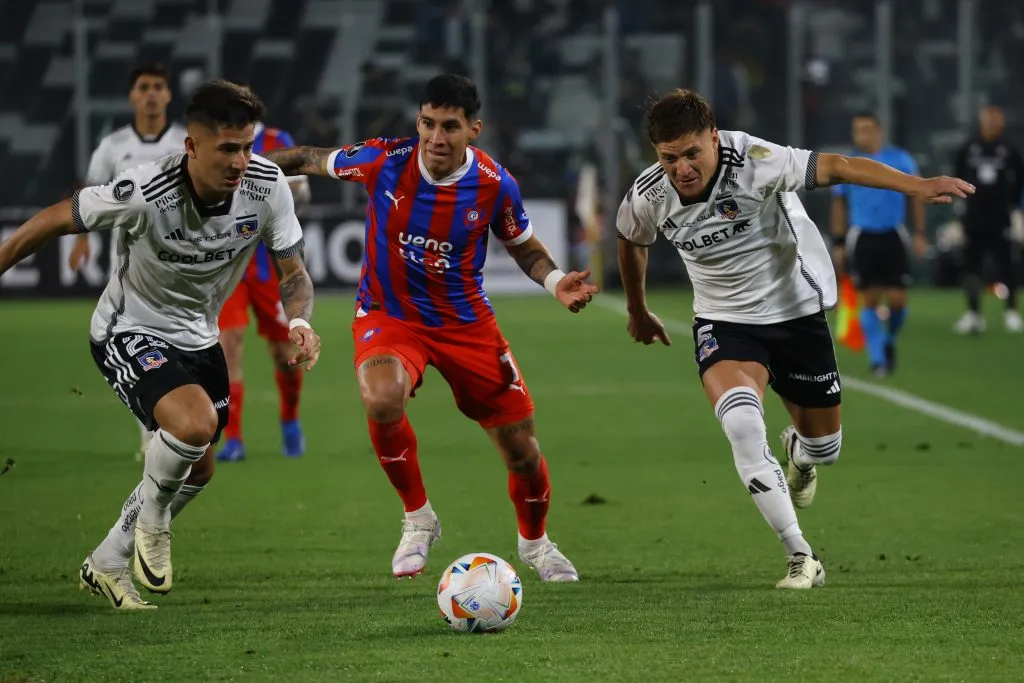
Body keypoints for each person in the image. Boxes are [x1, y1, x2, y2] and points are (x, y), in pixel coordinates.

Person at [616, 89, 973, 589]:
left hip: (795, 313)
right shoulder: (648, 194)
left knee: (824, 447)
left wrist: (915, 187)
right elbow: (632, 241)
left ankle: (802, 455)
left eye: (692, 153)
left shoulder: (756, 160)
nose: (682, 168)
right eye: (669, 157)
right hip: (724, 322)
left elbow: (841, 167)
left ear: (714, 138)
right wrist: (637, 309)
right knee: (741, 424)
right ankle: (801, 555)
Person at [0, 80, 321, 609]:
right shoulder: (146, 190)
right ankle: (153, 523)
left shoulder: (268, 186)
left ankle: (106, 560)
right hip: (128, 329)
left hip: (199, 337)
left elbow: (294, 275)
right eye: (227, 149)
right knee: (194, 425)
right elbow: (57, 218)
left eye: (246, 146)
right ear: (192, 147)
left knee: (199, 466)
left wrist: (300, 324)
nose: (241, 161)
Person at [264, 73, 596, 582]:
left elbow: (524, 247)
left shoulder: (493, 184)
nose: (435, 138)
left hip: (466, 323)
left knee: (523, 452)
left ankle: (536, 544)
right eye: (427, 123)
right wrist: (242, 165)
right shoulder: (383, 160)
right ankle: (418, 520)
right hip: (389, 315)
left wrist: (556, 283)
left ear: (473, 129)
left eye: (449, 126)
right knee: (380, 398)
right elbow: (309, 157)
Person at [68, 62, 188, 461]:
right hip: (130, 265)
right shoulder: (113, 146)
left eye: (158, 86)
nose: (151, 93)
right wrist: (81, 242)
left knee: (184, 344)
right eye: (143, 87)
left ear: (168, 95)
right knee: (141, 347)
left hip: (182, 262)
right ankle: (152, 433)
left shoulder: (185, 141)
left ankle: (180, 425)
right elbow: (89, 193)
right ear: (133, 96)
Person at [216, 122, 312, 461]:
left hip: (268, 269)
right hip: (228, 269)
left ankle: (289, 419)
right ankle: (234, 439)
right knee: (228, 348)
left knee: (284, 355)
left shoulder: (277, 140)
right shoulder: (215, 141)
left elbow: (303, 191)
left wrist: (277, 186)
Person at [830, 113, 926, 376]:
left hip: (893, 234)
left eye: (868, 129)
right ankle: (877, 359)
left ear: (879, 131)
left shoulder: (900, 159)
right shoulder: (848, 164)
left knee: (898, 300)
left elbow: (917, 193)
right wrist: (838, 241)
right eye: (858, 130)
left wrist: (919, 232)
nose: (863, 134)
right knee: (869, 299)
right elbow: (839, 203)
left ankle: (889, 340)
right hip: (863, 236)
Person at [952, 105, 1024, 334]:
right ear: (981, 122)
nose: (993, 124)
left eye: (997, 120)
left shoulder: (1010, 149)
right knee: (972, 266)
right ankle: (973, 314)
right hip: (973, 217)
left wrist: (1015, 208)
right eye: (989, 119)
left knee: (1008, 265)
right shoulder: (968, 148)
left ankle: (1011, 312)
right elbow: (957, 176)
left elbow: (1020, 181)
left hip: (1001, 216)